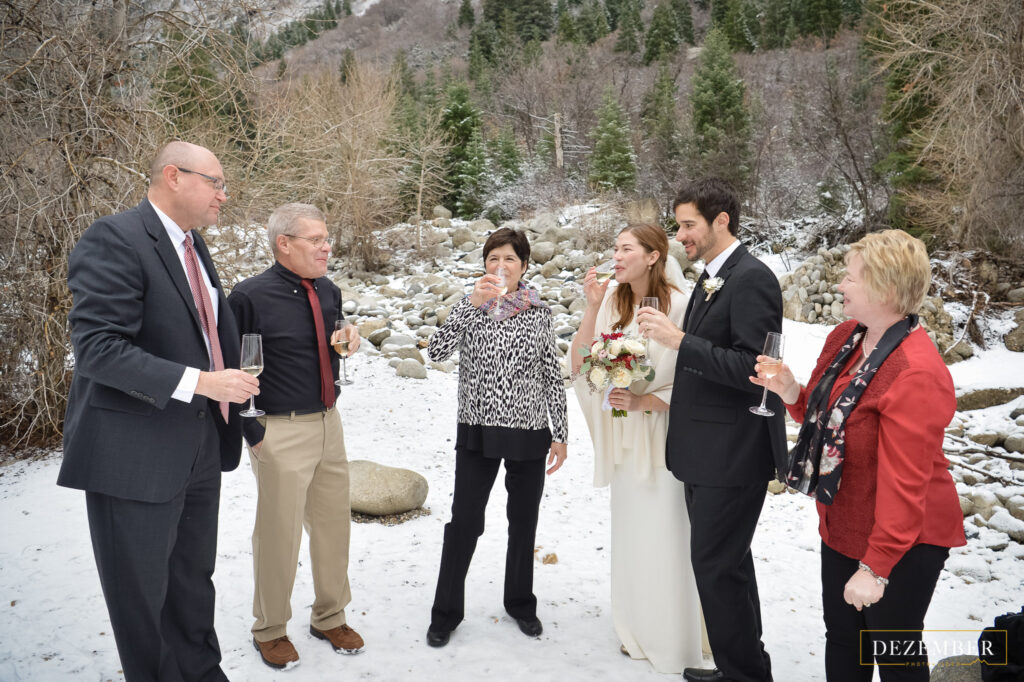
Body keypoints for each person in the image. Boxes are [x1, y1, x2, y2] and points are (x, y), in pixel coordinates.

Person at [59, 141, 259, 681]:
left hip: (199, 446)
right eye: (215, 182)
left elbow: (204, 334)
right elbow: (98, 348)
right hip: (134, 457)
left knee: (194, 583)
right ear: (173, 176)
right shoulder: (116, 238)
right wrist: (200, 382)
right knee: (142, 601)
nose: (225, 193)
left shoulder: (194, 247)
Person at [750, 230, 966, 680]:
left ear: (885, 289)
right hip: (845, 521)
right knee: (844, 640)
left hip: (904, 539)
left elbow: (906, 484)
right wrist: (790, 389)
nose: (840, 286)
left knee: (893, 653)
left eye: (850, 278)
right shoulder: (847, 336)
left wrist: (877, 567)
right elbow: (829, 415)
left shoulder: (916, 372)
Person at [638, 178, 787, 682]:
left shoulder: (752, 279)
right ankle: (741, 667)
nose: (679, 235)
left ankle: (744, 674)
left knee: (718, 569)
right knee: (728, 567)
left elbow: (754, 368)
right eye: (678, 225)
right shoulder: (711, 276)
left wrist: (680, 341)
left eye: (688, 225)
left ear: (721, 221)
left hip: (733, 453)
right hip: (705, 450)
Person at [227, 203, 365, 669]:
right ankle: (269, 628)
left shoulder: (329, 291)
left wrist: (347, 340)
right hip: (278, 430)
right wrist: (252, 431)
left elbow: (332, 345)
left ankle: (329, 616)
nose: (328, 247)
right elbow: (231, 368)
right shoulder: (247, 297)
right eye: (317, 240)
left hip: (329, 422)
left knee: (333, 527)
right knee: (279, 534)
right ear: (284, 243)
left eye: (328, 239)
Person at [425, 227, 568, 648]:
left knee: (523, 523)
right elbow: (435, 353)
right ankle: (445, 613)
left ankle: (520, 603)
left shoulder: (539, 312)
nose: (500, 266)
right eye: (493, 258)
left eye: (509, 259)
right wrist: (471, 305)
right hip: (478, 429)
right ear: (484, 264)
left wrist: (560, 433)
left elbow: (550, 374)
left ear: (524, 266)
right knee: (465, 522)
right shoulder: (471, 307)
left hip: (529, 429)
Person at [570, 224, 704, 673]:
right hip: (626, 436)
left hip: (665, 436)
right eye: (615, 248)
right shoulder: (611, 300)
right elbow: (582, 361)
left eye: (625, 248)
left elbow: (697, 379)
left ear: (653, 256)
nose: (616, 255)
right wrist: (591, 308)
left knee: (668, 534)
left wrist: (647, 398)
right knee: (632, 536)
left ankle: (673, 634)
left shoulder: (683, 306)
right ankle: (636, 627)